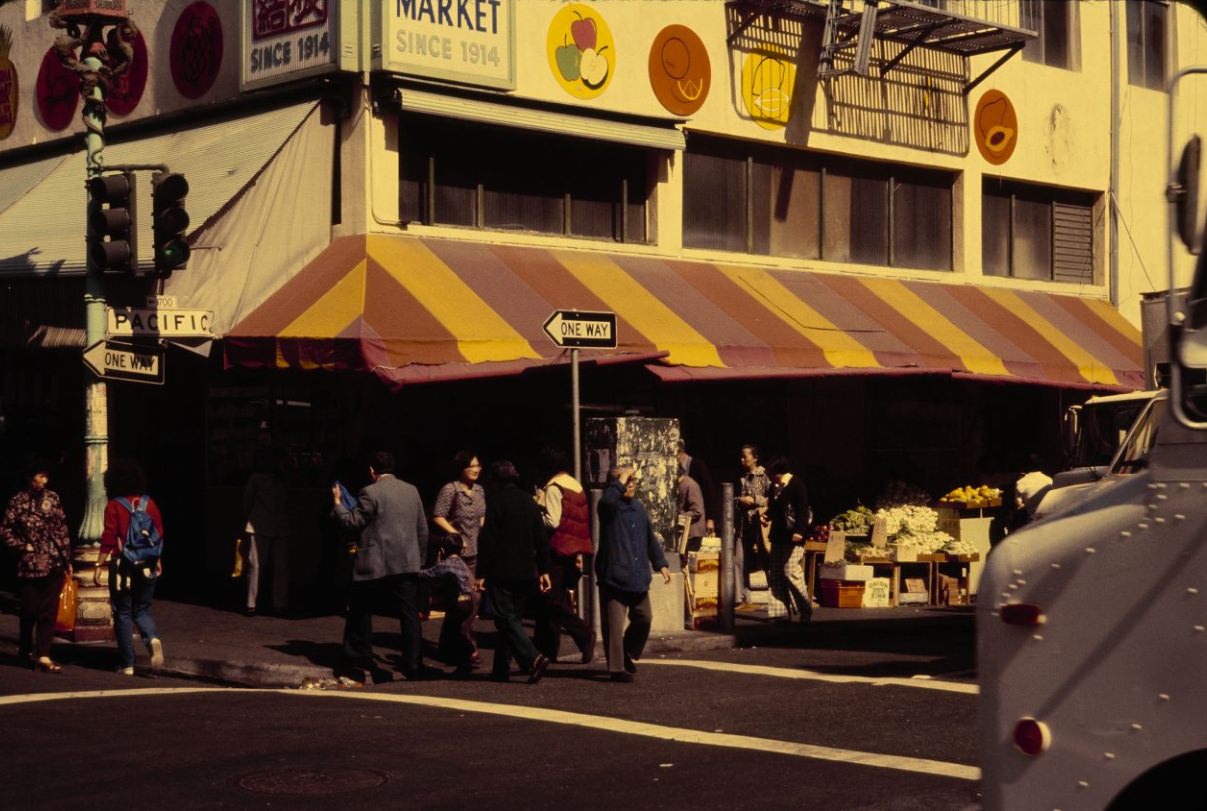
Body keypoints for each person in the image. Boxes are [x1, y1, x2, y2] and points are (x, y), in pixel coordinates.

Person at [331, 451, 429, 682]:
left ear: (372, 471)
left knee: (360, 607)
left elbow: (352, 522)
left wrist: (337, 503)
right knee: (409, 614)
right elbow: (422, 529)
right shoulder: (411, 490)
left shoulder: (370, 492)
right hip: (407, 561)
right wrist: (420, 559)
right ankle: (413, 663)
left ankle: (359, 653)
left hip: (376, 564)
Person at [475, 460, 552, 684]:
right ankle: (501, 669)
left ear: (495, 481)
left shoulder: (496, 503)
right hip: (527, 570)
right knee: (513, 619)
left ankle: (533, 657)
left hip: (502, 571)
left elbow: (489, 541)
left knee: (505, 619)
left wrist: (481, 573)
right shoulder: (529, 501)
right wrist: (544, 570)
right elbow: (541, 539)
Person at [595, 466, 672, 683]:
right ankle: (616, 669)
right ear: (615, 484)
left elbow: (649, 538)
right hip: (614, 574)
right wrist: (620, 480)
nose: (632, 485)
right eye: (627, 481)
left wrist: (661, 563)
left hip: (637, 575)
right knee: (614, 626)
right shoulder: (609, 507)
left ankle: (628, 650)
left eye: (634, 481)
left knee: (644, 617)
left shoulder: (638, 507)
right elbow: (607, 500)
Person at [94, 458, 166, 675]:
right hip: (148, 564)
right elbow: (159, 534)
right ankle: (151, 637)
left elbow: (109, 537)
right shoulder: (150, 504)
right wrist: (158, 559)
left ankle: (127, 663)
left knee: (123, 612)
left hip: (123, 565)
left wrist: (99, 563)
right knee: (142, 609)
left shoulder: (114, 506)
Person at [2, 458, 73, 673]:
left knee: (48, 612)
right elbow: (6, 530)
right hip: (31, 565)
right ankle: (24, 650)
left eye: (46, 476)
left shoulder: (53, 499)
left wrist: (67, 560)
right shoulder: (18, 502)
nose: (44, 480)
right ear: (29, 478)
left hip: (53, 562)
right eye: (40, 476)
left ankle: (44, 654)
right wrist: (23, 546)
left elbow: (62, 529)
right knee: (29, 610)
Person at [533, 446, 595, 664]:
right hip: (573, 548)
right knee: (552, 600)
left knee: (551, 600)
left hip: (557, 548)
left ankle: (584, 634)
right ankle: (547, 649)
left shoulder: (553, 488)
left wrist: (537, 508)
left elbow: (553, 521)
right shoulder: (575, 484)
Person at [431, 450, 486, 674]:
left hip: (475, 552)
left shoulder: (480, 490)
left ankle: (448, 647)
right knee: (471, 599)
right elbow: (437, 515)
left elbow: (482, 515)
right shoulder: (450, 489)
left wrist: (481, 529)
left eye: (478, 465)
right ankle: (468, 647)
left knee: (459, 603)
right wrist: (456, 535)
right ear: (461, 468)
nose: (476, 469)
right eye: (471, 466)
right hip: (456, 554)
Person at [242, 447, 290, 617]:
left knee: (269, 566)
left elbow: (247, 502)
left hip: (269, 524)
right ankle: (255, 603)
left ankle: (263, 603)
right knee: (258, 565)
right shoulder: (259, 479)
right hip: (263, 524)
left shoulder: (277, 479)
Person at [764, 456, 812, 623]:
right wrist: (767, 516)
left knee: (791, 572)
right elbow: (774, 508)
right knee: (776, 573)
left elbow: (803, 510)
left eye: (769, 474)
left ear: (777, 474)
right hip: (778, 535)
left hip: (793, 537)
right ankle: (779, 612)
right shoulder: (773, 487)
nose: (768, 477)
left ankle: (805, 608)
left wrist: (800, 531)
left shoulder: (796, 485)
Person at [734, 443, 770, 610]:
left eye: (745, 456)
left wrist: (755, 500)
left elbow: (772, 500)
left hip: (760, 527)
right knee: (739, 561)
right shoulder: (741, 477)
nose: (742, 460)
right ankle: (743, 598)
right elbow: (734, 499)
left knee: (766, 561)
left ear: (755, 458)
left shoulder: (764, 476)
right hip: (743, 526)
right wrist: (739, 501)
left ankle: (774, 597)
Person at [677, 438, 718, 535]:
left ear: (680, 452)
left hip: (695, 519)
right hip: (684, 520)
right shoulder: (674, 468)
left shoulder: (697, 465)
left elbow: (709, 493)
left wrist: (710, 518)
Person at [676, 463, 706, 554]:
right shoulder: (681, 484)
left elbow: (697, 510)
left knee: (688, 564)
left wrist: (678, 517)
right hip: (687, 532)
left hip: (693, 533)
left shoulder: (690, 485)